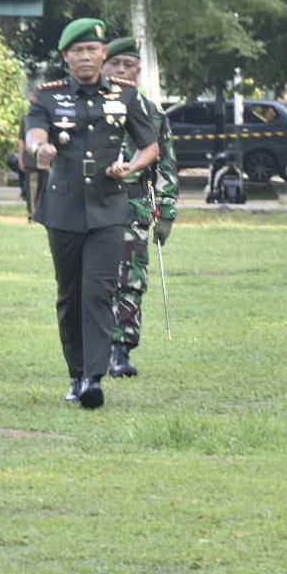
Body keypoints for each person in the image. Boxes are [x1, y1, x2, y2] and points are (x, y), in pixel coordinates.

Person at [24, 18, 159, 410]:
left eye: (92, 50)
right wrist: (40, 149)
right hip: (63, 208)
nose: (86, 56)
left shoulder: (126, 96)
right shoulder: (47, 97)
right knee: (70, 294)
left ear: (103, 55)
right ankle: (74, 371)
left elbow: (149, 146)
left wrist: (131, 168)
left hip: (109, 207)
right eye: (78, 51)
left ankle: (93, 379)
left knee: (99, 292)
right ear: (66, 57)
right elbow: (34, 132)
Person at [103, 37, 179, 379]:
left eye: (128, 65)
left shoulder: (153, 113)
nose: (121, 70)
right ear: (104, 65)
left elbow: (165, 166)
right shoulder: (88, 106)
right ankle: (95, 346)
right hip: (94, 202)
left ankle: (122, 349)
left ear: (138, 70)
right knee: (95, 277)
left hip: (134, 203)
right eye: (115, 64)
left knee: (131, 278)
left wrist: (166, 211)